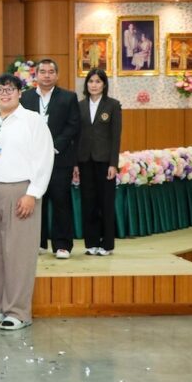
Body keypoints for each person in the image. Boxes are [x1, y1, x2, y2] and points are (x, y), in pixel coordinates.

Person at [0, 74, 54, 330]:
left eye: (10, 89)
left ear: (20, 93)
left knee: (19, 253)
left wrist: (33, 193)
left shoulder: (33, 121)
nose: (4, 93)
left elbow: (44, 159)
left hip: (21, 192)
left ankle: (18, 311)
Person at [20, 59, 80, 259]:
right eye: (42, 71)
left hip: (59, 159)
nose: (46, 75)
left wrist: (53, 146)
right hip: (32, 160)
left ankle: (62, 245)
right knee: (36, 201)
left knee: (61, 201)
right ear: (35, 75)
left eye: (51, 71)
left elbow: (73, 126)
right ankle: (38, 242)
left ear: (57, 75)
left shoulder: (68, 97)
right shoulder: (25, 98)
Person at [74, 68, 122, 257]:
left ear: (104, 85)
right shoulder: (79, 106)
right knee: (89, 203)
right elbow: (76, 137)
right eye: (91, 81)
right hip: (85, 160)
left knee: (106, 203)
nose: (94, 85)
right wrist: (75, 164)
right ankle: (91, 243)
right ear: (86, 84)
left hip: (104, 162)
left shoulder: (112, 105)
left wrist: (113, 164)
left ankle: (107, 244)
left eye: (98, 81)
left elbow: (115, 136)